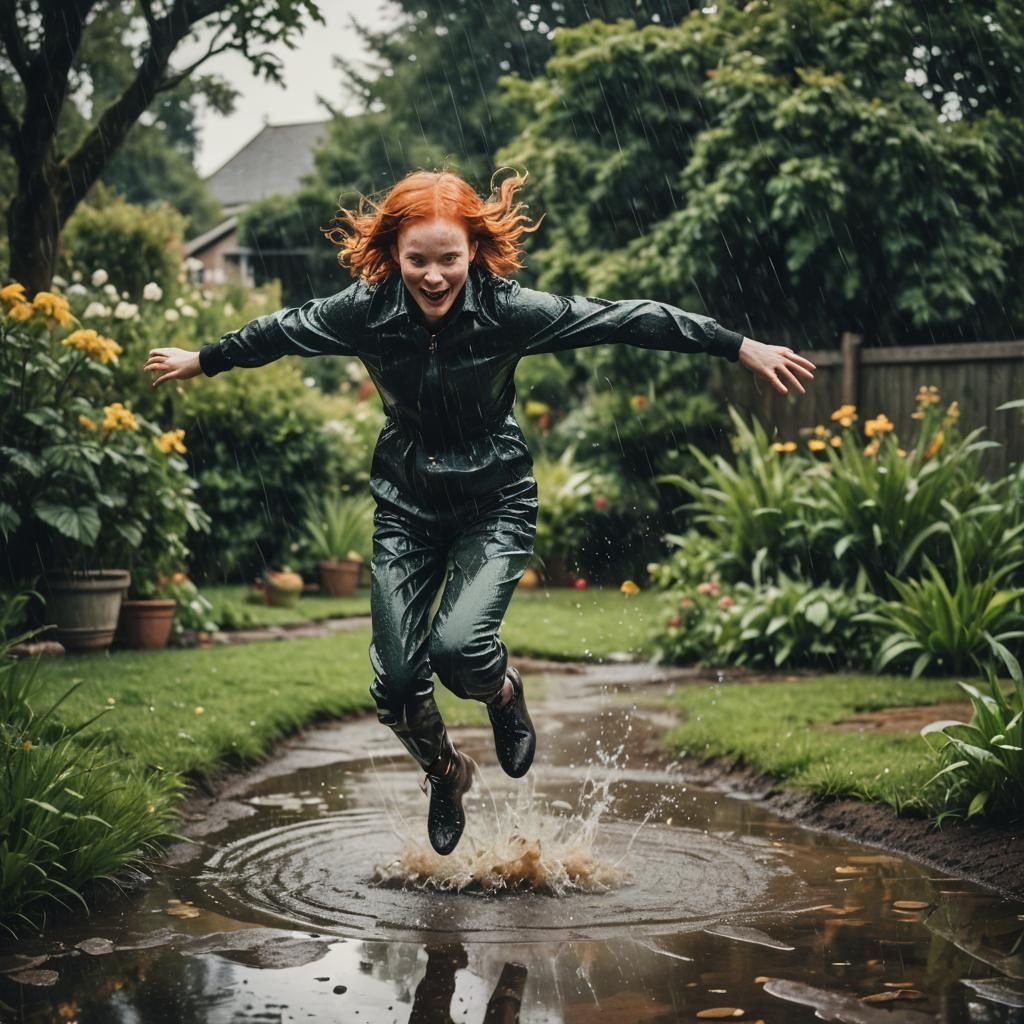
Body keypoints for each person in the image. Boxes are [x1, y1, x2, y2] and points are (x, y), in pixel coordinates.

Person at [144, 169, 815, 856]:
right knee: (397, 683)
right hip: (406, 505)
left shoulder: (509, 310)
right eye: (418, 261)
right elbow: (283, 329)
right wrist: (206, 358)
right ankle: (446, 772)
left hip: (494, 501)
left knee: (459, 651)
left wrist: (735, 343)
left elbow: (623, 317)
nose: (434, 277)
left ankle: (501, 695)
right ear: (393, 253)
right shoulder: (364, 310)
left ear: (473, 252)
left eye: (449, 260)